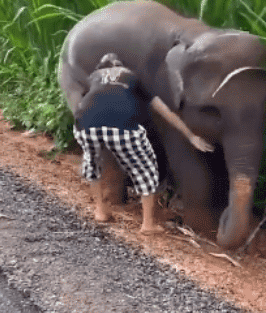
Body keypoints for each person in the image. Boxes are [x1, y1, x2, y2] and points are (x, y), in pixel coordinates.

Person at [73, 53, 214, 234]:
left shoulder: (94, 77)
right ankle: (148, 225)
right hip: (122, 126)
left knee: (92, 163)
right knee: (145, 170)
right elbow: (163, 110)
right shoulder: (133, 77)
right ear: (121, 66)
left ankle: (100, 211)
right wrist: (191, 135)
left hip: (85, 125)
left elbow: (84, 102)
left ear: (102, 68)